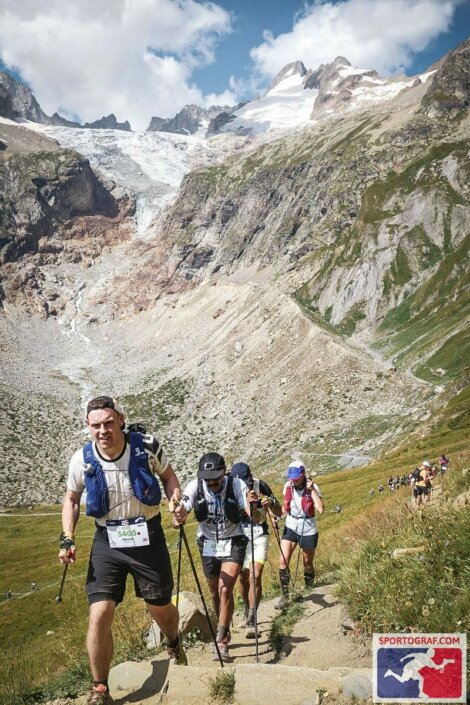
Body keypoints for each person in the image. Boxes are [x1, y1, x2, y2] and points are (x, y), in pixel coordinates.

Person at [59, 396, 186, 705]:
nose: (103, 431)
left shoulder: (146, 446)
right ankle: (100, 688)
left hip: (148, 535)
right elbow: (72, 499)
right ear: (87, 427)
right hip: (107, 540)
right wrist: (67, 536)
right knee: (100, 613)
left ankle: (173, 640)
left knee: (160, 608)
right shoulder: (82, 459)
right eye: (95, 425)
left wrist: (176, 501)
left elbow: (169, 477)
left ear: (120, 420)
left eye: (108, 423)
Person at [175, 452, 250, 661]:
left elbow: (252, 512)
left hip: (233, 540)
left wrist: (255, 509)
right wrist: (178, 516)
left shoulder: (236, 486)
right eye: (207, 479)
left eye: (215, 478)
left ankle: (221, 640)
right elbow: (183, 509)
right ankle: (224, 625)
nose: (211, 483)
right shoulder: (195, 486)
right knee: (215, 593)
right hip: (207, 543)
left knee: (225, 589)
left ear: (223, 473)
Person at [230, 461, 282, 638]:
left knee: (255, 575)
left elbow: (279, 511)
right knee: (243, 577)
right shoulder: (230, 487)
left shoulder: (261, 485)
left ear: (250, 477)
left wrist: (271, 502)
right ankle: (246, 608)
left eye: (246, 481)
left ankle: (252, 619)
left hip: (259, 533)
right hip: (238, 535)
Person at [275, 462, 324, 609]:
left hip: (308, 527)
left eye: (296, 478)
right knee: (283, 561)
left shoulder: (313, 488)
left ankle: (309, 585)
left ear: (303, 475)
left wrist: (312, 491)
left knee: (307, 562)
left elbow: (321, 509)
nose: (294, 480)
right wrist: (278, 517)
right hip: (291, 525)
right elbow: (286, 506)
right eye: (292, 478)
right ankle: (285, 596)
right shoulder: (287, 486)